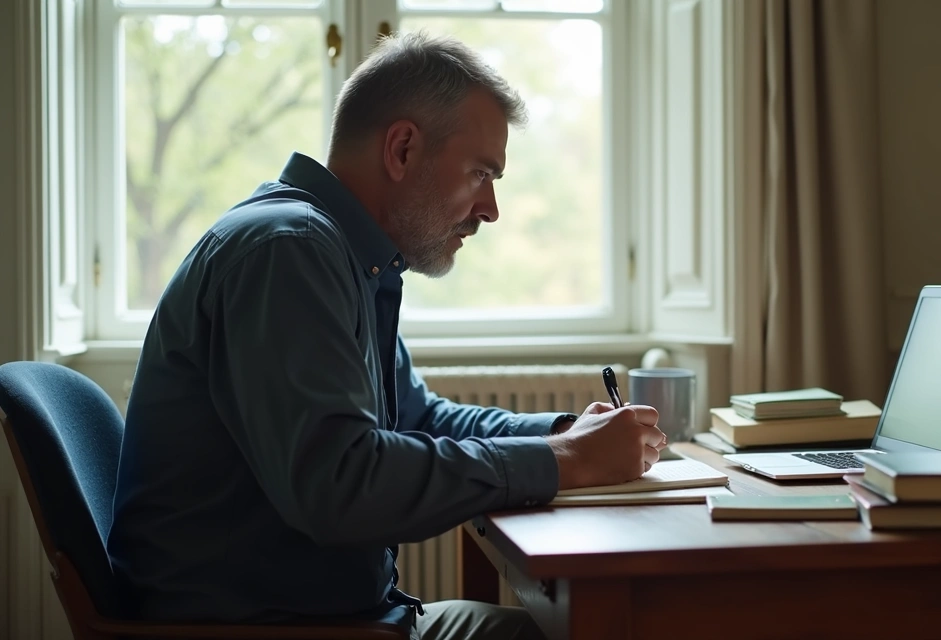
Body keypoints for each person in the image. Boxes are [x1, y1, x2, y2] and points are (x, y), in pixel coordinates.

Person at [107, 30, 667, 640]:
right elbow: (342, 485)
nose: (491, 209)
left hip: (329, 617)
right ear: (401, 149)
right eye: (481, 172)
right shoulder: (288, 253)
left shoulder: (339, 254)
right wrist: (563, 462)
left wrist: (565, 435)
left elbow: (416, 417)